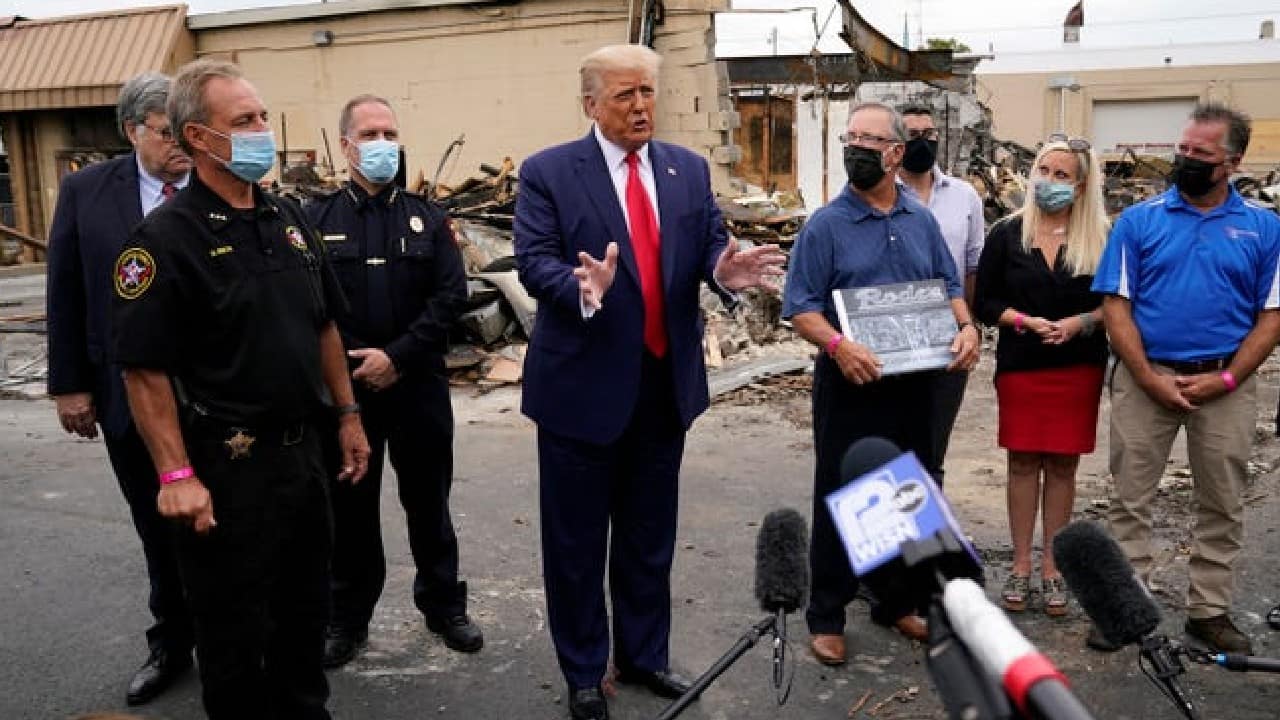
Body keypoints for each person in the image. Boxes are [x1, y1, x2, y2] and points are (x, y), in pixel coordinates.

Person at [514, 44, 785, 720]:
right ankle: (583, 670)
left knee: (648, 536)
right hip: (580, 390)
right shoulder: (550, 172)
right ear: (591, 105)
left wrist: (727, 272)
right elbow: (532, 259)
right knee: (575, 544)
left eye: (647, 94)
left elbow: (710, 250)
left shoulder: (686, 170)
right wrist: (577, 286)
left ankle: (644, 655)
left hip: (664, 388)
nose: (641, 107)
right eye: (625, 96)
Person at [111, 58, 370, 719]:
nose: (263, 131)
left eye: (262, 116)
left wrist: (347, 415)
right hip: (225, 473)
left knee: (303, 626)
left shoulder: (287, 218)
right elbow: (144, 370)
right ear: (198, 137)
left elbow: (325, 327)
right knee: (234, 645)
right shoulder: (163, 241)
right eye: (244, 121)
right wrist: (174, 476)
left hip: (303, 462)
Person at [782, 101, 980, 666]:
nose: (857, 149)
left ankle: (896, 600)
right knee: (842, 494)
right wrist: (839, 346)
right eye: (852, 138)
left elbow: (948, 284)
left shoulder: (919, 219)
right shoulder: (825, 225)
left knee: (905, 489)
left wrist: (966, 326)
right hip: (851, 379)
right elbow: (800, 308)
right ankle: (827, 613)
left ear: (896, 154)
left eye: (870, 141)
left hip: (915, 380)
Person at [1092, 103, 1280, 655]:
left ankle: (1209, 611)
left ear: (1233, 161)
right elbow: (1116, 305)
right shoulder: (1138, 222)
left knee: (1222, 500)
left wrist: (1226, 380)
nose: (1186, 159)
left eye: (1201, 153)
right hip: (1145, 382)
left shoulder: (1265, 228)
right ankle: (1126, 610)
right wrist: (1148, 377)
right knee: (1130, 499)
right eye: (1183, 148)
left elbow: (1272, 316)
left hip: (1226, 385)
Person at [307, 94, 481, 668]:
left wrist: (397, 357)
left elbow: (450, 298)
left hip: (418, 388)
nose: (383, 143)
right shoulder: (315, 222)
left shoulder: (430, 220)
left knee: (429, 503)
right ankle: (347, 618)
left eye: (390, 132)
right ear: (346, 145)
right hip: (348, 394)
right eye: (370, 133)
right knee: (350, 510)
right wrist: (359, 366)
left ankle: (443, 606)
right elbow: (315, 308)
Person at [46, 72, 196, 706]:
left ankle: (237, 642)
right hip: (124, 397)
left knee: (227, 524)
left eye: (187, 129)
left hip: (214, 396)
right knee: (157, 524)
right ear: (133, 131)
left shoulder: (221, 185)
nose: (180, 144)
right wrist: (70, 387)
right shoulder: (86, 192)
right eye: (166, 132)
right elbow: (66, 291)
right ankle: (172, 643)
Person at [973, 135, 1110, 617]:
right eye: (1043, 171)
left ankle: (1054, 565)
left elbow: (1117, 303)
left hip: (1078, 367)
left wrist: (1082, 323)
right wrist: (1021, 321)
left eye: (1061, 175)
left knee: (1064, 466)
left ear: (1082, 184)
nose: (1048, 181)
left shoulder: (1102, 237)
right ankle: (1021, 563)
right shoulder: (1007, 233)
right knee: (1023, 463)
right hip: (1022, 366)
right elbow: (983, 302)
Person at [896, 104, 986, 486]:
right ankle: (892, 540)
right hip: (893, 337)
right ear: (897, 144)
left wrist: (969, 325)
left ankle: (926, 540)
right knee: (892, 444)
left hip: (947, 338)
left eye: (929, 134)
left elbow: (971, 268)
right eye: (912, 135)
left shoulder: (964, 197)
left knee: (933, 444)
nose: (922, 142)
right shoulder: (879, 194)